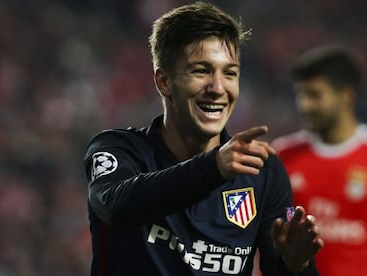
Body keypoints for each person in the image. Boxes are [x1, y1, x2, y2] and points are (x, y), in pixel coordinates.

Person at [83, 1, 323, 275]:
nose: (218, 88)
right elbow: (115, 207)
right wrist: (214, 168)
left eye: (230, 73)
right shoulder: (119, 150)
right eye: (201, 71)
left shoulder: (262, 171)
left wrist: (295, 266)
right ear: (164, 81)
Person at [271, 45, 367, 275]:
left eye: (314, 95)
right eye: (300, 95)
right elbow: (267, 237)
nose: (304, 105)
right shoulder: (284, 155)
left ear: (346, 95)